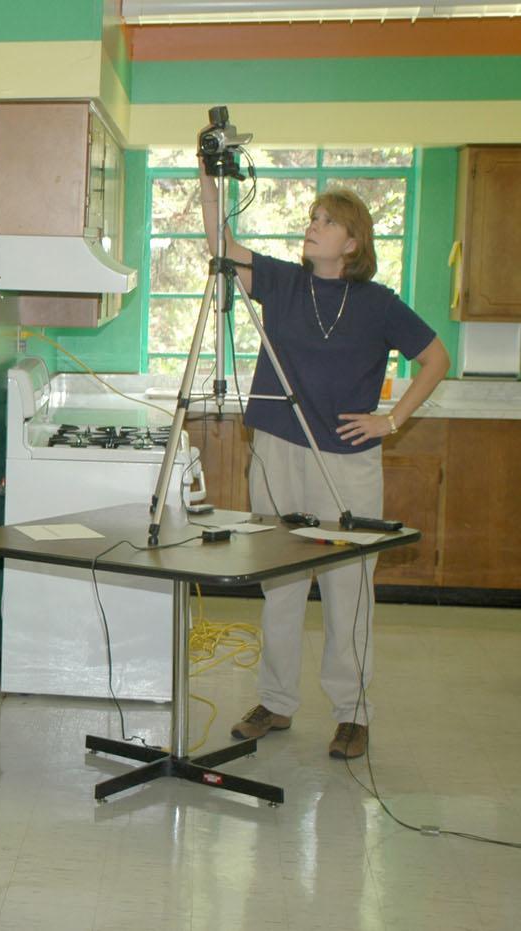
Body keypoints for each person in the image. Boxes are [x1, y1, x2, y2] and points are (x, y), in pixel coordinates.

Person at [198, 160, 449, 761]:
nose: (312, 226)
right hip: (278, 451)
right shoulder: (282, 282)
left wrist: (391, 420)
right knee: (281, 584)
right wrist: (209, 178)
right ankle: (277, 702)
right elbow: (218, 243)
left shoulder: (379, 304)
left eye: (325, 221)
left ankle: (352, 713)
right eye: (311, 218)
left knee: (348, 588)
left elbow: (437, 358)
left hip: (347, 462)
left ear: (353, 242)